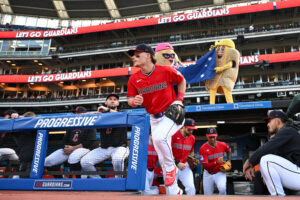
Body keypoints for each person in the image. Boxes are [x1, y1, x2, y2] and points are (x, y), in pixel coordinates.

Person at [126, 43, 186, 195]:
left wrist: (179, 99)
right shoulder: (134, 78)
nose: (134, 57)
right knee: (162, 154)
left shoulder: (165, 70)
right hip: (154, 118)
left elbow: (181, 80)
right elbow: (130, 99)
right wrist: (134, 102)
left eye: (137, 54)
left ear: (148, 55)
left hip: (172, 113)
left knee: (159, 140)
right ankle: (175, 192)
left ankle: (172, 168)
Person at [243, 110, 300, 196]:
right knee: (262, 166)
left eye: (269, 121)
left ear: (278, 121)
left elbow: (266, 148)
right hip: (295, 173)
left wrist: (249, 162)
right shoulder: (286, 133)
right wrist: (265, 173)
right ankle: (277, 195)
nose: (267, 124)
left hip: (297, 174)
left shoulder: (288, 130)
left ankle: (278, 196)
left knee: (266, 160)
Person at [81, 93, 129, 178]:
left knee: (117, 159)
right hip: (104, 148)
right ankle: (97, 181)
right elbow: (82, 116)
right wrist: (96, 112)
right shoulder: (101, 115)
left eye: (115, 99)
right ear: (105, 102)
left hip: (120, 147)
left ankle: (118, 181)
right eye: (110, 99)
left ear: (118, 103)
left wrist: (106, 110)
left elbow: (119, 115)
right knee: (85, 161)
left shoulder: (122, 113)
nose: (113, 101)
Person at [44, 106, 97, 177]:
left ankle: (76, 180)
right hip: (69, 149)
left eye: (78, 113)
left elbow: (89, 143)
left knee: (73, 157)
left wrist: (73, 148)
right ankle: (59, 179)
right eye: (75, 113)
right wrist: (66, 147)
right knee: (46, 161)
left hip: (83, 149)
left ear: (84, 114)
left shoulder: (90, 124)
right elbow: (64, 140)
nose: (76, 114)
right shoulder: (72, 125)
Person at [199, 127, 232, 195]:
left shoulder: (222, 144)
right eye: (210, 137)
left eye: (213, 137)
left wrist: (229, 161)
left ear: (216, 135)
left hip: (219, 172)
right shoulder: (203, 148)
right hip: (208, 174)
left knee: (222, 189)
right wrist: (216, 162)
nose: (212, 139)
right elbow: (205, 166)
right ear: (207, 136)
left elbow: (229, 151)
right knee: (208, 196)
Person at [171, 118, 197, 195]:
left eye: (192, 130)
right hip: (172, 165)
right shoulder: (173, 134)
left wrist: (192, 159)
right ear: (183, 127)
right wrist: (177, 163)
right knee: (172, 191)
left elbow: (191, 151)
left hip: (185, 165)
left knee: (191, 188)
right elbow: (167, 152)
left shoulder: (192, 138)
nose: (191, 132)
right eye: (189, 129)